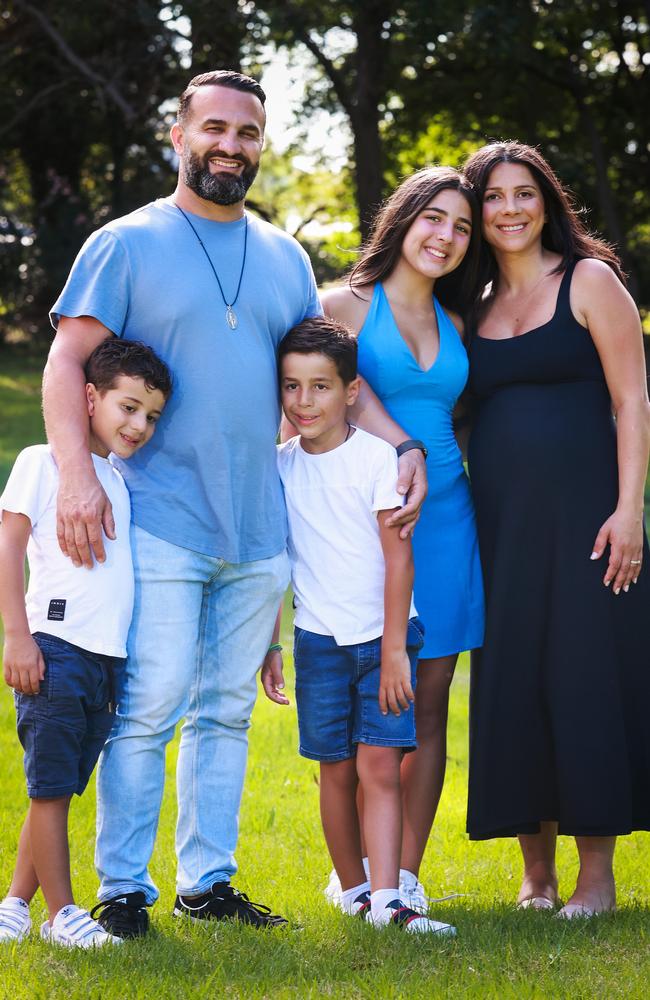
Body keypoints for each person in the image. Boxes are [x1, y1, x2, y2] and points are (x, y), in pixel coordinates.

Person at [43, 69, 425, 937]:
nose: (230, 145)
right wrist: (74, 475)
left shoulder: (286, 256)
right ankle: (123, 891)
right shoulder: (126, 243)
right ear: (178, 138)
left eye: (247, 132)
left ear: (260, 145)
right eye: (213, 128)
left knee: (225, 711)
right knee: (150, 704)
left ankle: (207, 882)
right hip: (160, 520)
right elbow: (68, 363)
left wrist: (402, 444)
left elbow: (331, 375)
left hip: (260, 531)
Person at [463, 141, 650, 917]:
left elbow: (634, 400)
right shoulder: (466, 303)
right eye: (494, 197)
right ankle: (534, 874)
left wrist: (630, 509)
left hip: (588, 520)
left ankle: (596, 876)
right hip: (497, 523)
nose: (509, 209)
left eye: (523, 193)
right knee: (512, 683)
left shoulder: (589, 280)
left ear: (547, 201)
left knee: (584, 677)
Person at [320, 167, 484, 910]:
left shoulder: (461, 319)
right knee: (367, 701)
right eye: (435, 218)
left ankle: (407, 876)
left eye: (461, 227)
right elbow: (305, 406)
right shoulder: (342, 306)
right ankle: (352, 875)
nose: (446, 236)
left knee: (431, 698)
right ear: (405, 217)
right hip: (367, 528)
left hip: (449, 521)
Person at [262, 317, 454, 934]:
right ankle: (353, 892)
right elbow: (275, 560)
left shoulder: (377, 462)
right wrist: (271, 643)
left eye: (320, 386)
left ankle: (390, 897)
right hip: (317, 643)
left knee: (379, 768)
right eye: (291, 387)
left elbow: (400, 560)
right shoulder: (280, 466)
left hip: (384, 639)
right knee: (334, 769)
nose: (304, 400)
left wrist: (396, 650)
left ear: (351, 392)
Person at [0, 340, 171, 948]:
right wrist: (17, 637)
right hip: (55, 648)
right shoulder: (42, 461)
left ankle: (16, 904)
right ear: (90, 397)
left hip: (105, 660)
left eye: (151, 416)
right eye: (128, 408)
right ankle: (63, 914)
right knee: (48, 788)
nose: (139, 425)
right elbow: (9, 547)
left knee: (60, 786)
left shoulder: (119, 481)